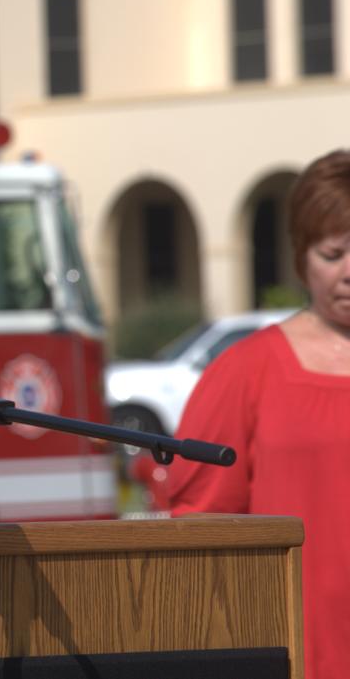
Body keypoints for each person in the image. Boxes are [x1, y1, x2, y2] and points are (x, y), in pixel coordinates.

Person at [165, 149, 350, 679]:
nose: (349, 273)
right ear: (301, 258)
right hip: (296, 652)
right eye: (333, 253)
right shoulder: (246, 370)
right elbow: (200, 531)